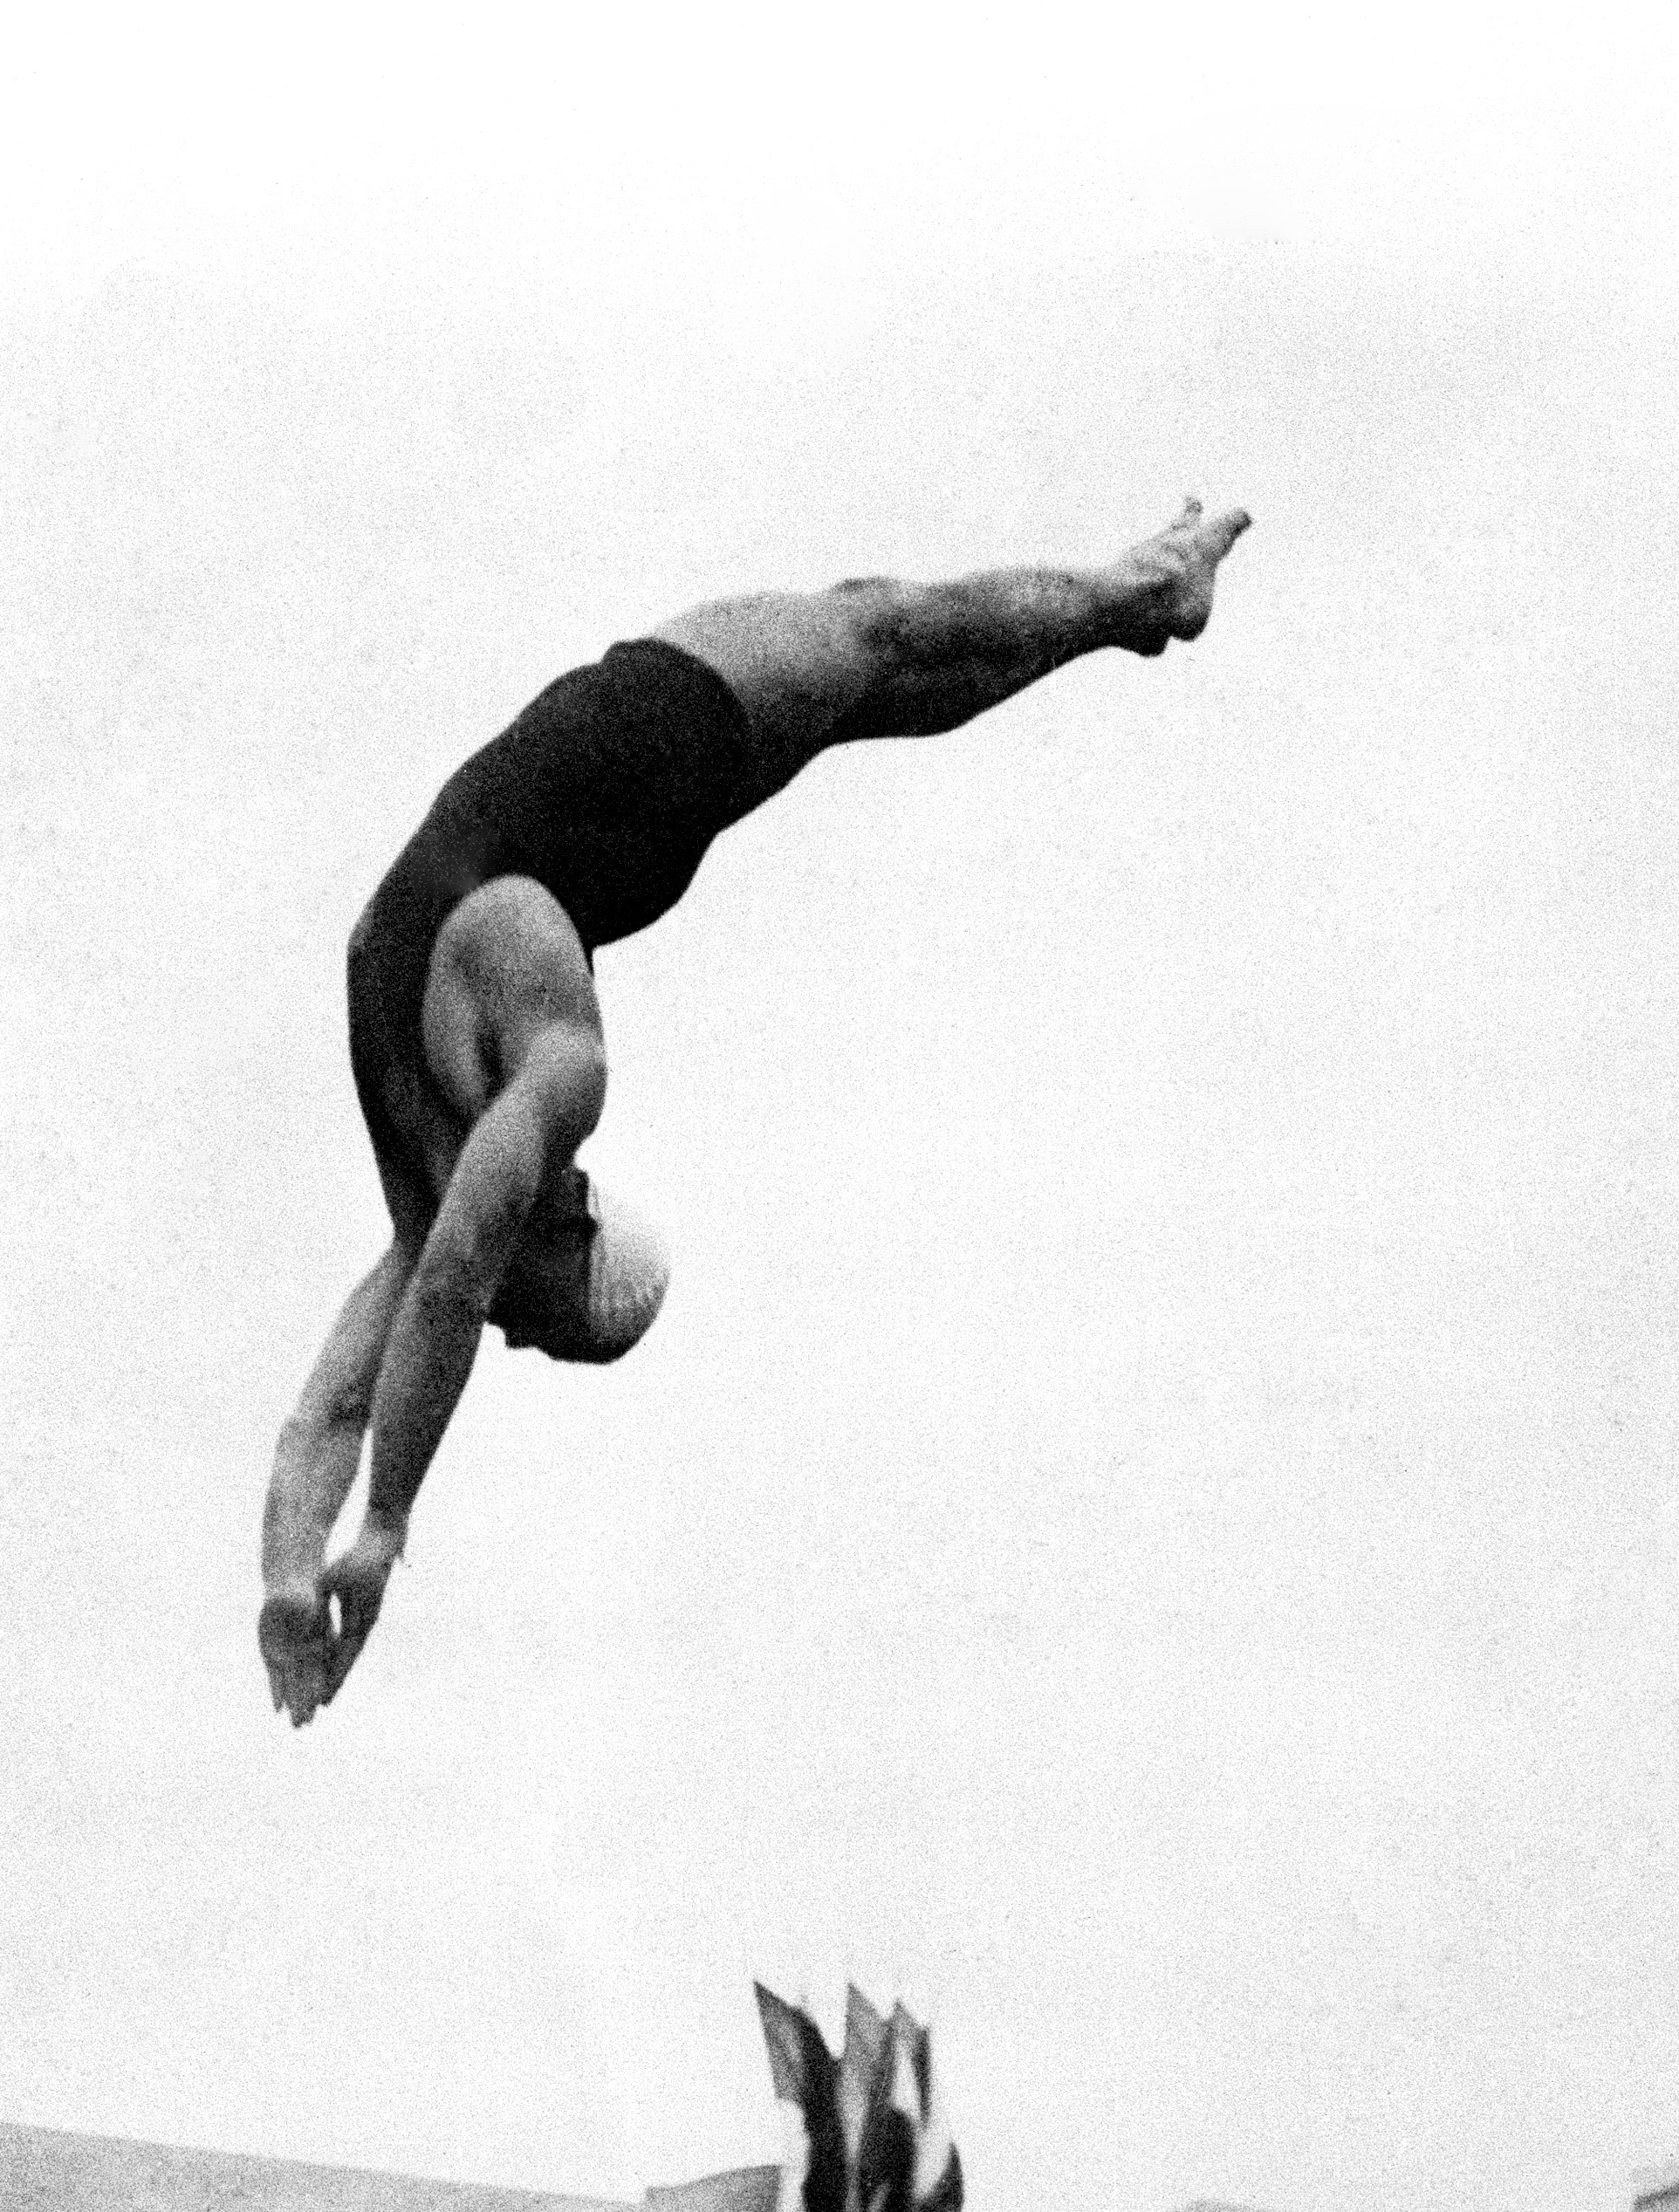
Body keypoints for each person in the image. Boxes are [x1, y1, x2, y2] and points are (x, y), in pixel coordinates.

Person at [260, 502, 1252, 1722]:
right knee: (877, 651)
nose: (510, 1336)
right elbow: (392, 1351)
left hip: (634, 766)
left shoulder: (506, 1132)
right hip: (658, 764)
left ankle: (1139, 602)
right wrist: (337, 1552)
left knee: (880, 646)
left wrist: (334, 1555)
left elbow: (389, 1352)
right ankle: (1133, 607)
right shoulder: (509, 1122)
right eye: (546, 1330)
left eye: (536, 1335)